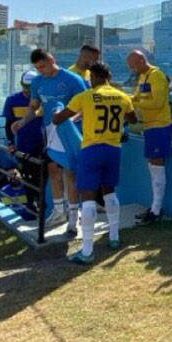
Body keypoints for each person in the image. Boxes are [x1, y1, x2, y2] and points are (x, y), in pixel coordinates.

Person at [53, 62, 136, 264]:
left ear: (95, 77)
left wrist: (57, 110)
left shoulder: (86, 96)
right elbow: (132, 119)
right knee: (110, 191)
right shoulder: (122, 96)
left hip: (91, 149)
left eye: (90, 78)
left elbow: (58, 120)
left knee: (88, 196)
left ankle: (88, 250)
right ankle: (114, 237)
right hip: (114, 150)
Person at [10, 49, 88, 231]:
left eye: (43, 66)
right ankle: (59, 211)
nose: (40, 71)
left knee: (70, 173)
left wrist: (69, 119)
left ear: (52, 59)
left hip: (70, 133)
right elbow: (34, 107)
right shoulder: (37, 82)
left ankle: (74, 215)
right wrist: (22, 122)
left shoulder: (72, 79)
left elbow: (85, 105)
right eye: (37, 68)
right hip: (50, 133)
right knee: (53, 170)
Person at [127, 50, 172, 225]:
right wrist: (125, 98)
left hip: (160, 126)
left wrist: (134, 103)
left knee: (156, 166)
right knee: (152, 167)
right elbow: (137, 97)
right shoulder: (142, 77)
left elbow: (157, 102)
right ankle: (154, 207)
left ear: (141, 60)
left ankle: (156, 210)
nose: (132, 69)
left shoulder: (156, 75)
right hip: (150, 126)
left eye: (133, 65)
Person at [3, 70, 45, 213]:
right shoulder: (12, 100)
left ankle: (41, 202)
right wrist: (10, 143)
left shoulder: (43, 100)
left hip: (43, 146)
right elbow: (8, 124)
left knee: (41, 175)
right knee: (27, 175)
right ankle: (30, 203)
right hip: (23, 146)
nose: (28, 91)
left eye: (31, 88)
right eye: (26, 87)